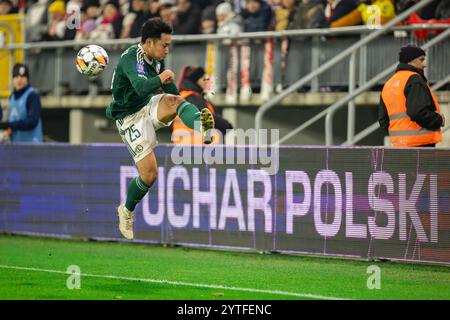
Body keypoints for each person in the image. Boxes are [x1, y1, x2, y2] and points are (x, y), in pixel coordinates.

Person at [107, 17, 214, 240]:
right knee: (149, 175)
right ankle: (126, 210)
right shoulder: (131, 58)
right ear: (148, 43)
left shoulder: (156, 59)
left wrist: (176, 93)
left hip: (146, 105)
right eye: (164, 45)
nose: (167, 50)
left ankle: (201, 125)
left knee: (175, 102)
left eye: (168, 45)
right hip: (128, 118)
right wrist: (161, 78)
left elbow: (169, 90)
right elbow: (140, 87)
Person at [378, 44, 445, 147]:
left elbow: (383, 120)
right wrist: (439, 119)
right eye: (421, 60)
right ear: (410, 61)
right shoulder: (414, 80)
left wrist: (400, 136)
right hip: (421, 144)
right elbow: (418, 112)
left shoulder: (389, 83)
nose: (425, 64)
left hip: (399, 145)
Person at [172, 65, 233, 144]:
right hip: (197, 147)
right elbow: (207, 116)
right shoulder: (193, 98)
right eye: (204, 78)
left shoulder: (183, 96)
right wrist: (226, 125)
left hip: (183, 147)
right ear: (196, 80)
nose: (206, 81)